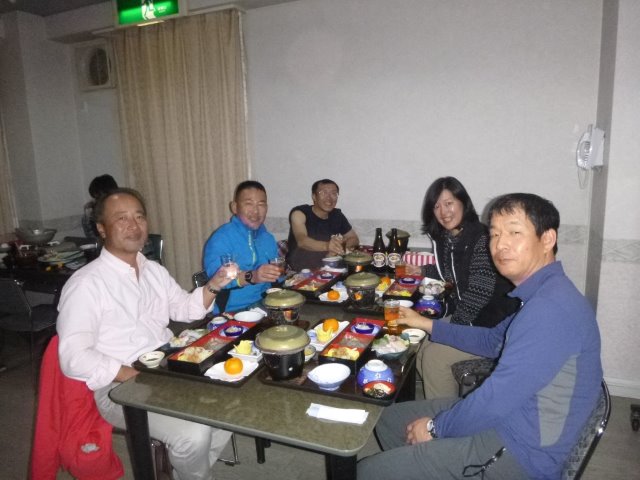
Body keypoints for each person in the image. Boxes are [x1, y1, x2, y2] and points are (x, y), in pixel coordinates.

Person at [357, 193, 602, 480]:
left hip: (521, 452)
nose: (500, 244)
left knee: (367, 471)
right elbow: (490, 341)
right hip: (510, 416)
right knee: (390, 420)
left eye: (514, 232)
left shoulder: (551, 310)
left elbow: (495, 399)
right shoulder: (541, 293)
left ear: (547, 239)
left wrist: (435, 428)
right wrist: (424, 323)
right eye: (495, 234)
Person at [57, 187, 234, 480]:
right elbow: (73, 357)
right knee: (193, 434)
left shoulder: (153, 270)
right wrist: (133, 374)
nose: (134, 225)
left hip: (164, 367)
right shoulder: (86, 284)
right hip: (118, 386)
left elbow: (185, 309)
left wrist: (215, 283)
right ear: (101, 228)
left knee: (230, 403)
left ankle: (187, 473)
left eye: (139, 217)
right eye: (122, 218)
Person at [415, 177, 519, 398]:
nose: (443, 212)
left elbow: (478, 293)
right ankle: (445, 399)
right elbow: (452, 275)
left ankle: (445, 416)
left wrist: (452, 330)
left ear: (463, 203)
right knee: (420, 347)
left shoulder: (481, 238)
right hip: (471, 318)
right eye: (436, 206)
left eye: (449, 203)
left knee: (433, 358)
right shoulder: (448, 239)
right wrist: (421, 271)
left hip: (492, 326)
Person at [203, 180, 281, 313]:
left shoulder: (267, 238)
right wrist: (253, 276)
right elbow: (217, 278)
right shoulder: (222, 238)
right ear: (234, 207)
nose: (256, 211)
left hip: (266, 304)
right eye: (249, 204)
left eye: (261, 204)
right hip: (232, 311)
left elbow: (276, 277)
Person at [286, 179, 359, 271]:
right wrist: (327, 246)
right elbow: (302, 241)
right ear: (314, 196)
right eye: (323, 193)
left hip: (329, 267)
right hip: (301, 270)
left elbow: (353, 238)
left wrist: (340, 247)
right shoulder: (300, 213)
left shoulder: (337, 215)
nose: (329, 198)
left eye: (333, 193)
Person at [82, 174, 118, 239]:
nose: (97, 200)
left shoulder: (123, 207)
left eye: (98, 197)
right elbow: (94, 239)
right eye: (96, 197)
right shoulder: (90, 215)